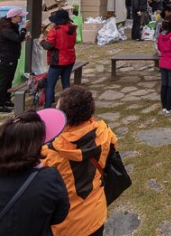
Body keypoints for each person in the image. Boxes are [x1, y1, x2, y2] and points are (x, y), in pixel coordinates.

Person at [41, 87, 118, 236]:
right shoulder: (105, 134)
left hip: (66, 225)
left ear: (63, 115)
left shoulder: (49, 153)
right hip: (95, 213)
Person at [39, 9, 77, 109]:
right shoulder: (72, 29)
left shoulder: (55, 30)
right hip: (70, 58)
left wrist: (41, 40)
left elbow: (48, 45)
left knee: (50, 84)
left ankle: (47, 107)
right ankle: (68, 105)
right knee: (66, 82)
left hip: (57, 60)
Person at [0, 7, 30, 114]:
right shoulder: (6, 29)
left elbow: (16, 39)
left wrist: (24, 36)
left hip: (12, 57)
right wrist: (24, 29)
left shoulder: (13, 26)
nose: (22, 18)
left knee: (9, 80)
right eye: (20, 16)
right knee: (3, 81)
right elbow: (17, 38)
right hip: (5, 59)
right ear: (13, 17)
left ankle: (6, 100)